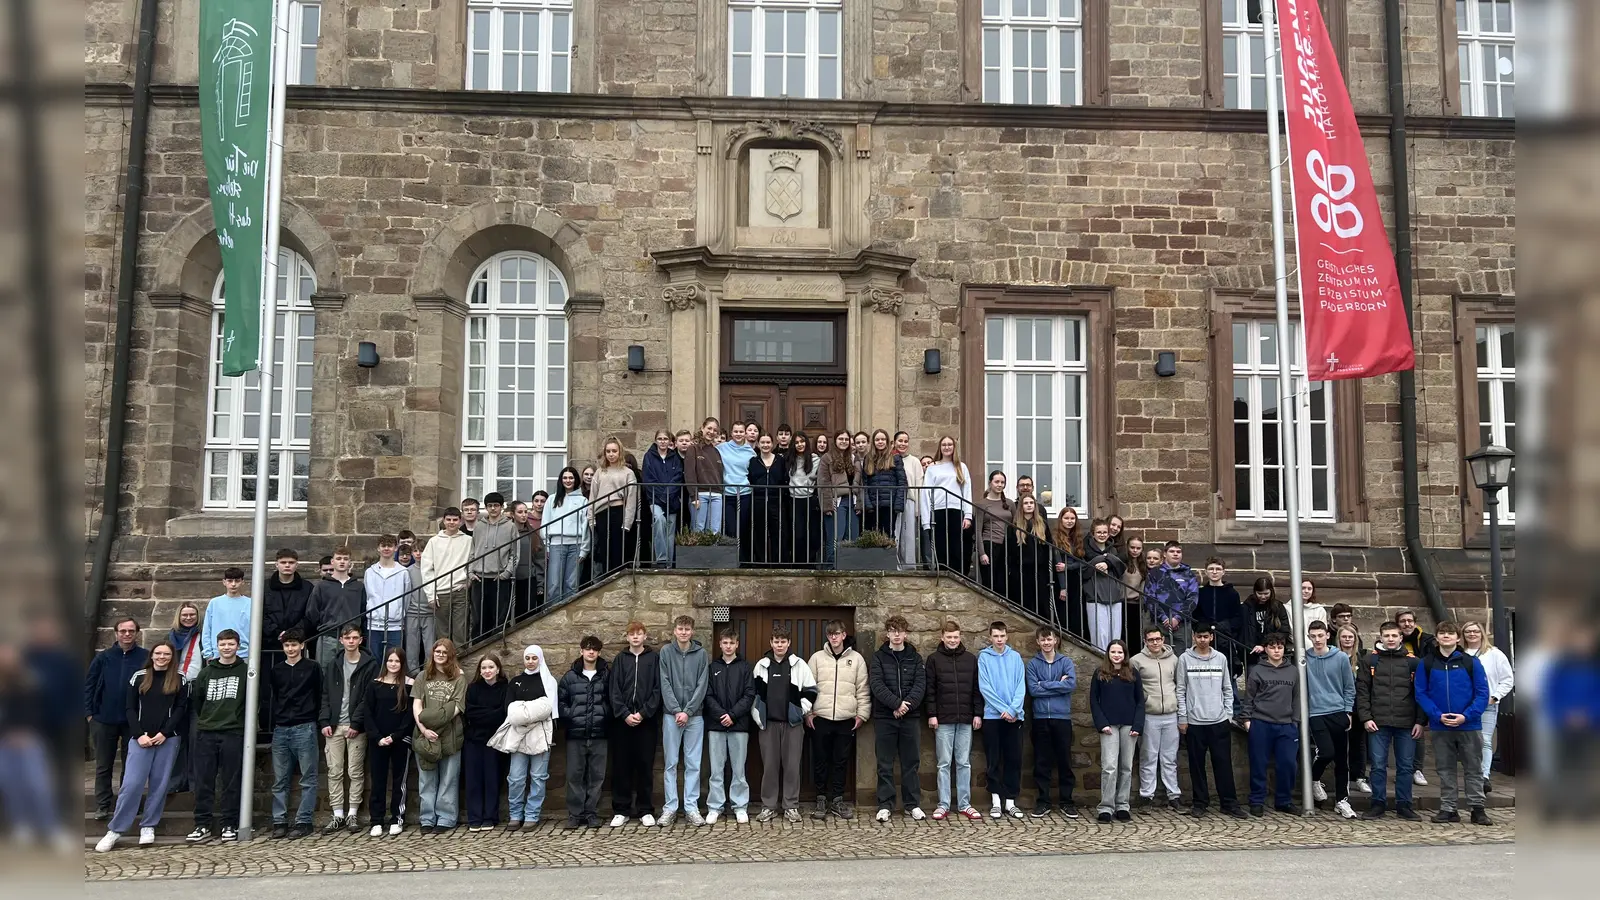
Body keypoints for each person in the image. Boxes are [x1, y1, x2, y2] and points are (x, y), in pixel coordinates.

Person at [94, 641, 189, 852]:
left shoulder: (180, 679)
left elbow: (181, 709)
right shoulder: (139, 677)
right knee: (132, 784)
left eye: (166, 654)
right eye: (158, 653)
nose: (162, 657)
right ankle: (116, 830)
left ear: (171, 657)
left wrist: (165, 733)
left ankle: (148, 826)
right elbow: (129, 708)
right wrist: (139, 735)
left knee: (159, 785)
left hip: (167, 739)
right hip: (140, 739)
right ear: (152, 656)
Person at [1415, 622, 1493, 825]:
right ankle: (1449, 808)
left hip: (1468, 724)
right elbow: (1421, 693)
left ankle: (1477, 808)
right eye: (1442, 633)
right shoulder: (1427, 663)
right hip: (1441, 725)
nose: (1446, 636)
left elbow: (1482, 693)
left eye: (1451, 633)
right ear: (1437, 637)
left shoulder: (1471, 663)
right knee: (1445, 768)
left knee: (1473, 768)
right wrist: (1436, 715)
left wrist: (1467, 716)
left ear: (1458, 638)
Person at [1355, 621, 1425, 820]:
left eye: (1394, 636)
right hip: (1378, 722)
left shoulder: (1414, 663)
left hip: (1407, 723)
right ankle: (1378, 803)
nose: (1391, 639)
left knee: (1405, 766)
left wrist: (1420, 721)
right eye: (1387, 636)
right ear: (1381, 638)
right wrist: (1366, 718)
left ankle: (1405, 805)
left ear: (1401, 638)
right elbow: (1362, 692)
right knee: (1377, 766)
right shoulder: (1370, 661)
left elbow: (1421, 694)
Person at [1176, 624, 1247, 818]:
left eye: (1206, 636)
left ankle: (1229, 803)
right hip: (1194, 722)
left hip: (1218, 721)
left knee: (1223, 764)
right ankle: (1200, 803)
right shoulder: (1184, 659)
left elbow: (1227, 688)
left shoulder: (1221, 658)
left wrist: (1228, 715)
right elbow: (1181, 690)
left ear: (1211, 637)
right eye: (1199, 636)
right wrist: (1183, 718)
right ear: (1193, 637)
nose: (1202, 640)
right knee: (1196, 766)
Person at [187, 629, 248, 843]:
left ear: (238, 646)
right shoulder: (206, 673)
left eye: (231, 644)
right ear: (217, 646)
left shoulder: (245, 671)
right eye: (223, 644)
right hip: (207, 731)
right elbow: (198, 700)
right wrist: (207, 720)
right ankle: (201, 824)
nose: (227, 648)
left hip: (233, 732)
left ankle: (229, 824)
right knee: (204, 780)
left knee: (231, 781)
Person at [85, 616, 149, 820]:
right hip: (103, 719)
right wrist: (89, 714)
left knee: (132, 766)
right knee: (104, 765)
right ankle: (103, 805)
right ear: (116, 633)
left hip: (134, 721)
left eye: (131, 631)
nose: (127, 634)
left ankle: (128, 803)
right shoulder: (103, 658)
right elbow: (89, 686)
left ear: (137, 632)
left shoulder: (145, 657)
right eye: (123, 631)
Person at [752, 623, 818, 823]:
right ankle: (769, 806)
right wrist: (757, 715)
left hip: (793, 725)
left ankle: (791, 806)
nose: (779, 645)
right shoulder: (762, 665)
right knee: (770, 767)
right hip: (769, 724)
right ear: (771, 643)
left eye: (783, 641)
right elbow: (754, 694)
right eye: (776, 641)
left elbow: (811, 691)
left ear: (788, 643)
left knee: (792, 767)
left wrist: (800, 711)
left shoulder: (799, 665)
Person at [806, 620, 870, 819]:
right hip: (821, 718)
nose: (834, 637)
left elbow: (863, 689)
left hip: (846, 719)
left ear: (844, 635)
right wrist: (808, 713)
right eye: (830, 634)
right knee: (820, 760)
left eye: (837, 633)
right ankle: (821, 799)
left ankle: (837, 800)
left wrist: (862, 714)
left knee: (840, 761)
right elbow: (807, 688)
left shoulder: (857, 659)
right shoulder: (816, 658)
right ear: (827, 636)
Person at [493, 645, 559, 830]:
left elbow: (548, 709)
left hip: (540, 735)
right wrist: (531, 712)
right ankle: (515, 814)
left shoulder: (548, 682)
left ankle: (532, 814)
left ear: (540, 659)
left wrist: (524, 711)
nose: (530, 661)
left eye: (534, 658)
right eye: (527, 658)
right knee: (516, 777)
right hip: (518, 735)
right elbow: (511, 711)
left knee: (538, 777)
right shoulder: (515, 682)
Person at [318, 624, 376, 833]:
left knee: (355, 771)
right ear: (341, 640)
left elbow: (367, 697)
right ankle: (337, 815)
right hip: (334, 725)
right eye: (347, 638)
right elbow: (325, 694)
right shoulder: (334, 664)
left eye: (354, 638)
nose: (351, 641)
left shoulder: (370, 665)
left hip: (355, 727)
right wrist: (324, 721)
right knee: (334, 771)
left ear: (361, 640)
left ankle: (352, 813)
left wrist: (356, 723)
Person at [925, 619, 984, 821]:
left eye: (956, 637)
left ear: (960, 637)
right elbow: (930, 690)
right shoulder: (933, 659)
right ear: (942, 637)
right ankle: (943, 804)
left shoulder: (970, 659)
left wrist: (978, 713)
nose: (952, 640)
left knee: (963, 763)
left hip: (966, 718)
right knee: (943, 763)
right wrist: (932, 714)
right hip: (943, 720)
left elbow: (977, 689)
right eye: (949, 637)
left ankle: (965, 804)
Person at [869, 615, 926, 822]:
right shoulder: (879, 657)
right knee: (884, 763)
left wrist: (905, 706)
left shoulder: (915, 658)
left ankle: (912, 804)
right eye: (892, 631)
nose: (896, 635)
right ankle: (885, 804)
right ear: (887, 633)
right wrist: (895, 704)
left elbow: (919, 686)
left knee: (911, 763)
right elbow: (876, 684)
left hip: (910, 718)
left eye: (899, 631)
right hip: (885, 717)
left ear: (905, 634)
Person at [267, 629, 321, 840]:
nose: (290, 648)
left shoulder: (312, 668)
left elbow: (318, 693)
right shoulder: (277, 670)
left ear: (302, 646)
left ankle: (303, 821)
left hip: (305, 726)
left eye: (294, 644)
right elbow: (274, 696)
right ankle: (279, 820)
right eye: (287, 645)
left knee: (308, 778)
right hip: (281, 727)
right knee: (280, 779)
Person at [608, 622, 662, 827]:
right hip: (623, 722)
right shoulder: (620, 660)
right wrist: (624, 714)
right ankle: (621, 809)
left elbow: (658, 690)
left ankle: (645, 809)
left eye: (639, 634)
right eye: (632, 634)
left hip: (646, 722)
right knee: (621, 766)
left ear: (645, 637)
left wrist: (643, 713)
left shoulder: (653, 659)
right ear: (627, 637)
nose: (636, 637)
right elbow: (614, 691)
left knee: (645, 766)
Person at [658, 615, 710, 826]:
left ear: (692, 631)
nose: (683, 632)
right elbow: (664, 682)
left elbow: (702, 685)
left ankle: (691, 807)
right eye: (680, 629)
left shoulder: (701, 654)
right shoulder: (665, 652)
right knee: (670, 763)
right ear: (674, 631)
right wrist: (677, 710)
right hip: (671, 716)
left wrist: (688, 711)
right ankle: (670, 807)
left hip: (695, 717)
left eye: (687, 629)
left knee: (693, 764)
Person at [413, 638, 468, 833]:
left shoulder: (459, 678)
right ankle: (427, 817)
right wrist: (423, 729)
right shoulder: (422, 676)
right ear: (433, 653)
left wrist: (438, 725)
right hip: (425, 734)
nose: (441, 655)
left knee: (449, 777)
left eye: (445, 652)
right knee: (427, 777)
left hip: (451, 733)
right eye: (438, 651)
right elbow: (417, 705)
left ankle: (446, 817)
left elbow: (456, 707)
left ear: (450, 655)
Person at [1242, 633, 1300, 815]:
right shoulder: (1257, 671)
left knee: (1288, 764)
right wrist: (1246, 720)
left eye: (1280, 647)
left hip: (1286, 724)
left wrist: (1295, 721)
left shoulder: (1293, 671)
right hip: (1261, 723)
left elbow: (1297, 698)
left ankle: (1283, 800)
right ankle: (1257, 800)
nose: (1276, 650)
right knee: (1259, 764)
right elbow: (1249, 697)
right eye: (1273, 647)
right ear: (1266, 649)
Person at [1305, 620, 1359, 818]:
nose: (1317, 639)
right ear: (1309, 637)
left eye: (1321, 635)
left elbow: (1348, 686)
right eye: (1313, 636)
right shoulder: (1304, 658)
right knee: (1326, 752)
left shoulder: (1341, 658)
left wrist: (1348, 711)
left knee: (1341, 760)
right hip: (1315, 712)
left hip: (1337, 710)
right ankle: (1314, 779)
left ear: (1327, 635)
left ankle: (1342, 800)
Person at [1025, 624, 1078, 819]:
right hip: (1040, 719)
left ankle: (1067, 801)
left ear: (1055, 640)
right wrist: (1058, 684)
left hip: (1061, 718)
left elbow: (1070, 685)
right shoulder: (1033, 664)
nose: (1046, 643)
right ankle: (1043, 801)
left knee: (1064, 761)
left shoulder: (1065, 662)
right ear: (1038, 642)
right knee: (1041, 762)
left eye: (1050, 639)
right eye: (1043, 640)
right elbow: (1033, 690)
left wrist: (1044, 684)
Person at [558, 636, 611, 829]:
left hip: (600, 733)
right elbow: (561, 702)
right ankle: (575, 814)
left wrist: (605, 715)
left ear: (598, 652)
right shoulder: (570, 677)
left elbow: (612, 699)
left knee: (597, 776)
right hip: (576, 734)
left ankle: (591, 812)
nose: (591, 652)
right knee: (575, 775)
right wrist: (570, 714)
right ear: (581, 651)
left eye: (595, 649)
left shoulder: (606, 675)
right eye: (587, 649)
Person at [1090, 640, 1145, 823]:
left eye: (1119, 652)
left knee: (1126, 767)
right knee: (1109, 767)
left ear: (1125, 654)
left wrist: (1137, 725)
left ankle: (1122, 805)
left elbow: (1140, 701)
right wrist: (1101, 723)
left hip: (1128, 726)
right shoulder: (1100, 673)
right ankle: (1106, 806)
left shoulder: (1133, 673)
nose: (1116, 655)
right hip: (1109, 726)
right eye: (1113, 651)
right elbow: (1094, 701)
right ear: (1108, 653)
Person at [704, 628, 755, 825]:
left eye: (731, 643)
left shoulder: (744, 667)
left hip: (739, 724)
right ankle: (715, 806)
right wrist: (720, 715)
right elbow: (707, 695)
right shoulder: (712, 667)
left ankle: (740, 805)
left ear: (737, 645)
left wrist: (732, 715)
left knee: (738, 769)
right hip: (716, 725)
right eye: (725, 643)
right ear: (720, 644)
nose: (728, 646)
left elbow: (749, 694)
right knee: (716, 769)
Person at [977, 620, 1026, 819]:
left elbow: (1020, 686)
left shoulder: (1015, 657)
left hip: (1014, 717)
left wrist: (1013, 709)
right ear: (990, 637)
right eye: (995, 636)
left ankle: (1011, 801)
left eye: (1002, 636)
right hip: (992, 716)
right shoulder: (984, 658)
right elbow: (985, 687)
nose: (999, 640)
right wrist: (1002, 709)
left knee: (1013, 759)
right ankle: (996, 800)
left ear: (1007, 637)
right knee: (994, 759)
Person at [1130, 627, 1183, 809]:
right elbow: (1133, 687)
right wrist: (1145, 701)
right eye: (1151, 639)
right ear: (1145, 641)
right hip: (1150, 715)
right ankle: (1146, 796)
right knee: (1148, 757)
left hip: (1171, 713)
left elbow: (1179, 684)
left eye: (1158, 639)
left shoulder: (1174, 659)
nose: (1155, 643)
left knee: (1170, 757)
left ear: (1163, 640)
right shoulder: (1136, 661)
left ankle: (1173, 795)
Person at [364, 648, 412, 836]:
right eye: (390, 661)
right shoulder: (374, 685)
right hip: (378, 740)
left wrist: (396, 736)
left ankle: (397, 818)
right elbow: (368, 713)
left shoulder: (409, 685)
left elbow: (409, 716)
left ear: (402, 664)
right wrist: (377, 737)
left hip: (400, 740)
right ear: (385, 663)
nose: (393, 664)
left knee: (400, 780)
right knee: (378, 780)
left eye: (397, 661)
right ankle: (376, 820)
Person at [1460, 620, 1513, 790]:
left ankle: (1484, 776)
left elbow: (1507, 679)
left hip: (1486, 704)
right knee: (1467, 742)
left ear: (1482, 633)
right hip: (1463, 705)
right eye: (1468, 631)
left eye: (1475, 631)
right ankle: (1471, 774)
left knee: (1485, 741)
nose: (1472, 634)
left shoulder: (1494, 654)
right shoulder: (1459, 653)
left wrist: (1495, 697)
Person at [462, 653, 510, 831]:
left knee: (492, 778)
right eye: (484, 668)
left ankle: (490, 816)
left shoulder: (505, 688)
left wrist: (485, 714)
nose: (487, 671)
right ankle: (475, 817)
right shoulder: (473, 688)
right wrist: (490, 713)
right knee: (473, 779)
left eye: (491, 667)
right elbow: (470, 713)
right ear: (479, 671)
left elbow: (503, 714)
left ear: (498, 669)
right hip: (474, 740)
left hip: (495, 741)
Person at [467, 492, 518, 639]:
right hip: (479, 578)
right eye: (490, 506)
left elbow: (515, 553)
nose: (493, 509)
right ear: (486, 507)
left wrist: (506, 573)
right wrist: (470, 572)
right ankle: (477, 655)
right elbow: (472, 551)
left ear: (501, 507)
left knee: (499, 619)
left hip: (499, 578)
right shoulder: (479, 527)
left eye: (496, 505)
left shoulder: (510, 527)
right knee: (478, 620)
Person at [921, 436, 973, 575]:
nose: (947, 447)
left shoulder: (961, 467)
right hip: (938, 510)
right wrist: (926, 521)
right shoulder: (933, 468)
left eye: (950, 444)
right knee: (940, 545)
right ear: (940, 447)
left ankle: (957, 574)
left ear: (954, 447)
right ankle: (943, 574)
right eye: (944, 444)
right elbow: (926, 494)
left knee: (957, 546)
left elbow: (967, 492)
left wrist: (968, 515)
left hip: (957, 510)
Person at [421, 509, 473, 647]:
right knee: (442, 634)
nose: (452, 522)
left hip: (460, 590)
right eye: (449, 519)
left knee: (460, 632)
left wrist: (468, 580)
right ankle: (443, 666)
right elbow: (426, 570)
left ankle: (460, 664)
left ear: (460, 521)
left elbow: (472, 563)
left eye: (455, 519)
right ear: (443, 521)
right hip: (441, 592)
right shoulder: (434, 541)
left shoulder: (468, 540)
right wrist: (431, 595)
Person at [166, 602, 204, 792]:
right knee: (176, 737)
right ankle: (176, 782)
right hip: (177, 688)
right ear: (178, 617)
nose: (188, 618)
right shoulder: (171, 637)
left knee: (196, 736)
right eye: (185, 615)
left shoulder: (204, 636)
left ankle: (194, 782)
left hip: (197, 687)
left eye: (192, 615)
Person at [591, 437, 640, 579]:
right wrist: (590, 518)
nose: (611, 454)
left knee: (618, 548)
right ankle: (606, 579)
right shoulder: (600, 472)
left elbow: (631, 499)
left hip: (619, 511)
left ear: (620, 452)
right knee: (604, 548)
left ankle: (617, 578)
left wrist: (627, 522)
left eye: (614, 451)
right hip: (601, 512)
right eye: (608, 451)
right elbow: (592, 497)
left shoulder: (628, 473)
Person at [545, 467, 592, 607]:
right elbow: (545, 523)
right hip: (556, 544)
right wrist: (547, 544)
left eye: (571, 478)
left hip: (576, 545)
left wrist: (584, 549)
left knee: (571, 585)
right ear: (561, 480)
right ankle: (552, 616)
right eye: (565, 478)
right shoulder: (552, 499)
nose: (568, 480)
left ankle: (568, 618)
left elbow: (586, 526)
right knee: (554, 584)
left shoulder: (583, 500)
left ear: (576, 480)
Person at [307, 548, 365, 660]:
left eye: (345, 559)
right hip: (328, 636)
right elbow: (312, 612)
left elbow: (362, 610)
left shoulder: (358, 587)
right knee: (325, 672)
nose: (342, 561)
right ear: (333, 562)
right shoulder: (322, 586)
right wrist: (325, 625)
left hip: (351, 638)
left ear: (350, 563)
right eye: (338, 558)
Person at [1335, 624, 1372, 794]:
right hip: (1338, 706)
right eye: (1344, 637)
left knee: (1359, 743)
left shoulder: (1363, 657)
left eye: (1350, 637)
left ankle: (1360, 777)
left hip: (1358, 706)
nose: (1347, 640)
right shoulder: (1333, 656)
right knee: (1341, 743)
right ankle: (1343, 777)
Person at [263, 549, 314, 667]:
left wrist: (293, 633)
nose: (287, 565)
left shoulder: (307, 587)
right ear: (276, 564)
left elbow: (310, 614)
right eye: (283, 562)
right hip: (270, 643)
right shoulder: (264, 586)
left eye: (291, 562)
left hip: (298, 642)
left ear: (296, 565)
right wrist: (277, 632)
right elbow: (260, 614)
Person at [1083, 519, 1128, 652]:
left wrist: (1108, 561)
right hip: (1095, 595)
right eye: (1099, 532)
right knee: (1099, 635)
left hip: (1113, 594)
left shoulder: (1113, 550)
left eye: (1105, 532)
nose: (1102, 535)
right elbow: (1083, 570)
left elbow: (1120, 568)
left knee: (1115, 635)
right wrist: (1099, 560)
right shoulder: (1085, 550)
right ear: (1093, 533)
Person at [643, 430, 686, 567]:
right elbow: (649, 479)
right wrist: (661, 496)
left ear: (669, 441)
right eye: (660, 438)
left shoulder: (675, 458)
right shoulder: (649, 456)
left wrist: (668, 494)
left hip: (672, 500)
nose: (662, 441)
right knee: (659, 520)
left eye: (665, 438)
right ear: (656, 440)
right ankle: (661, 559)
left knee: (670, 532)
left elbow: (677, 478)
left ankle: (668, 564)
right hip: (655, 499)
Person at [1142, 541, 1198, 648]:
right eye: (1172, 551)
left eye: (1178, 552)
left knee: (1182, 658)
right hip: (1159, 624)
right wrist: (1163, 618)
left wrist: (1177, 618)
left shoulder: (1189, 574)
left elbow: (1192, 599)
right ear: (1164, 554)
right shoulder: (1155, 573)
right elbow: (1149, 598)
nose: (1175, 554)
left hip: (1182, 625)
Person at [364, 535, 411, 660]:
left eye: (389, 546)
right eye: (383, 546)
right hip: (374, 624)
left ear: (395, 548)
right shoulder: (370, 572)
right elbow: (368, 595)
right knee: (374, 661)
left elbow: (406, 597)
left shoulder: (403, 572)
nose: (386, 548)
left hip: (395, 625)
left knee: (394, 661)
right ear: (378, 548)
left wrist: (399, 613)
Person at [744, 433, 787, 567]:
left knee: (778, 532)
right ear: (758, 444)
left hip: (777, 500)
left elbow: (784, 478)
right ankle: (760, 562)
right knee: (759, 532)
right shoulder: (753, 461)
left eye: (768, 442)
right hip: (759, 500)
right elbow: (751, 478)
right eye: (762, 442)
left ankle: (778, 563)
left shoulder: (780, 461)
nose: (765, 445)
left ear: (772, 444)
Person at [1197, 558, 1244, 672]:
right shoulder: (1201, 593)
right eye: (1211, 569)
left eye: (1218, 569)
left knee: (1228, 671)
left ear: (1223, 572)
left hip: (1226, 638)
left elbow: (1237, 617)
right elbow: (1197, 615)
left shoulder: (1232, 593)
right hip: (1206, 638)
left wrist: (1223, 626)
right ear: (1206, 571)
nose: (1214, 572)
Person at [1009, 495, 1052, 616]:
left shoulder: (1042, 524)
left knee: (1041, 601)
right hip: (1021, 569)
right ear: (1021, 506)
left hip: (1040, 569)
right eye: (1026, 503)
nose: (1029, 505)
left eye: (1031, 503)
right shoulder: (1014, 525)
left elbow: (1049, 546)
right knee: (1024, 600)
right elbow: (1010, 549)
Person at [862, 428, 906, 538]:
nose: (880, 442)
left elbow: (902, 482)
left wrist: (898, 504)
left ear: (887, 441)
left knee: (888, 536)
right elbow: (865, 483)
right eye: (877, 440)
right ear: (873, 442)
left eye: (883, 439)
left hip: (889, 505)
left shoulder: (895, 458)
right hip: (873, 505)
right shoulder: (868, 458)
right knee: (872, 537)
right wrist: (868, 504)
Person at [786, 432, 823, 566]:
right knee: (798, 534)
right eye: (796, 442)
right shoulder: (789, 459)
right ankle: (798, 563)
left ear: (806, 443)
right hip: (794, 500)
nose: (800, 445)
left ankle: (811, 563)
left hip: (810, 499)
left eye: (802, 441)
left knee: (812, 534)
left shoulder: (815, 459)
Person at [202, 567, 253, 662]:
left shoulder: (251, 603)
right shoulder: (215, 603)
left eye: (237, 581)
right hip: (218, 654)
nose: (233, 584)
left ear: (242, 582)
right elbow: (207, 629)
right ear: (224, 582)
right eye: (230, 581)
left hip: (244, 655)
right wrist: (208, 654)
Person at [686, 417, 727, 534]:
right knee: (698, 529)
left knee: (715, 530)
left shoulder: (716, 452)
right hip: (701, 494)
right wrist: (694, 496)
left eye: (715, 430)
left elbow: (719, 473)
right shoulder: (693, 449)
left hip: (717, 495)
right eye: (709, 428)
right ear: (702, 428)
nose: (711, 432)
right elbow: (690, 473)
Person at [1242, 577, 1292, 670]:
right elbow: (1243, 631)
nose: (1263, 596)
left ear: (1271, 591)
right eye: (1260, 594)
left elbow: (1284, 631)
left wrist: (1265, 645)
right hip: (1252, 653)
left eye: (1266, 593)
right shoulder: (1247, 607)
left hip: (1273, 652)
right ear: (1255, 592)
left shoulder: (1278, 606)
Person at [974, 471, 1011, 593]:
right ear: (990, 483)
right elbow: (978, 530)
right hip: (989, 544)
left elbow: (1016, 525)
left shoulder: (1009, 503)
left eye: (1002, 482)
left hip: (1006, 545)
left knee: (1003, 583)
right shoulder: (982, 503)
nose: (1000, 485)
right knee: (989, 583)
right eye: (997, 482)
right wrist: (981, 553)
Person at [892, 431, 925, 568]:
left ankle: (909, 566)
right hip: (893, 501)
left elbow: (919, 485)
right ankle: (894, 564)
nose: (903, 444)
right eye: (900, 441)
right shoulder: (890, 459)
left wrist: (918, 509)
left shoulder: (915, 461)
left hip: (909, 501)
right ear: (894, 442)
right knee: (895, 533)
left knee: (909, 536)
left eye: (905, 441)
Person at [718, 422, 755, 541]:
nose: (738, 434)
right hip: (727, 493)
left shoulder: (750, 451)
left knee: (743, 528)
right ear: (731, 433)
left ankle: (743, 558)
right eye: (735, 431)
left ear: (745, 433)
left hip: (744, 493)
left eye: (741, 432)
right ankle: (732, 557)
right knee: (731, 529)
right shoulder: (721, 448)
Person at [510, 500, 544, 618]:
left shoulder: (533, 534)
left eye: (525, 512)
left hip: (528, 579)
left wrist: (540, 584)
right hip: (509, 580)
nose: (524, 515)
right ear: (512, 514)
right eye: (520, 512)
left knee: (526, 614)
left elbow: (540, 560)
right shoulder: (507, 533)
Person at [1298, 579, 1328, 653]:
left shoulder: (1319, 610)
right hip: (1296, 649)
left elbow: (1322, 632)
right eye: (1303, 588)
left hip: (1316, 649)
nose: (1306, 591)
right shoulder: (1288, 608)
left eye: (1309, 589)